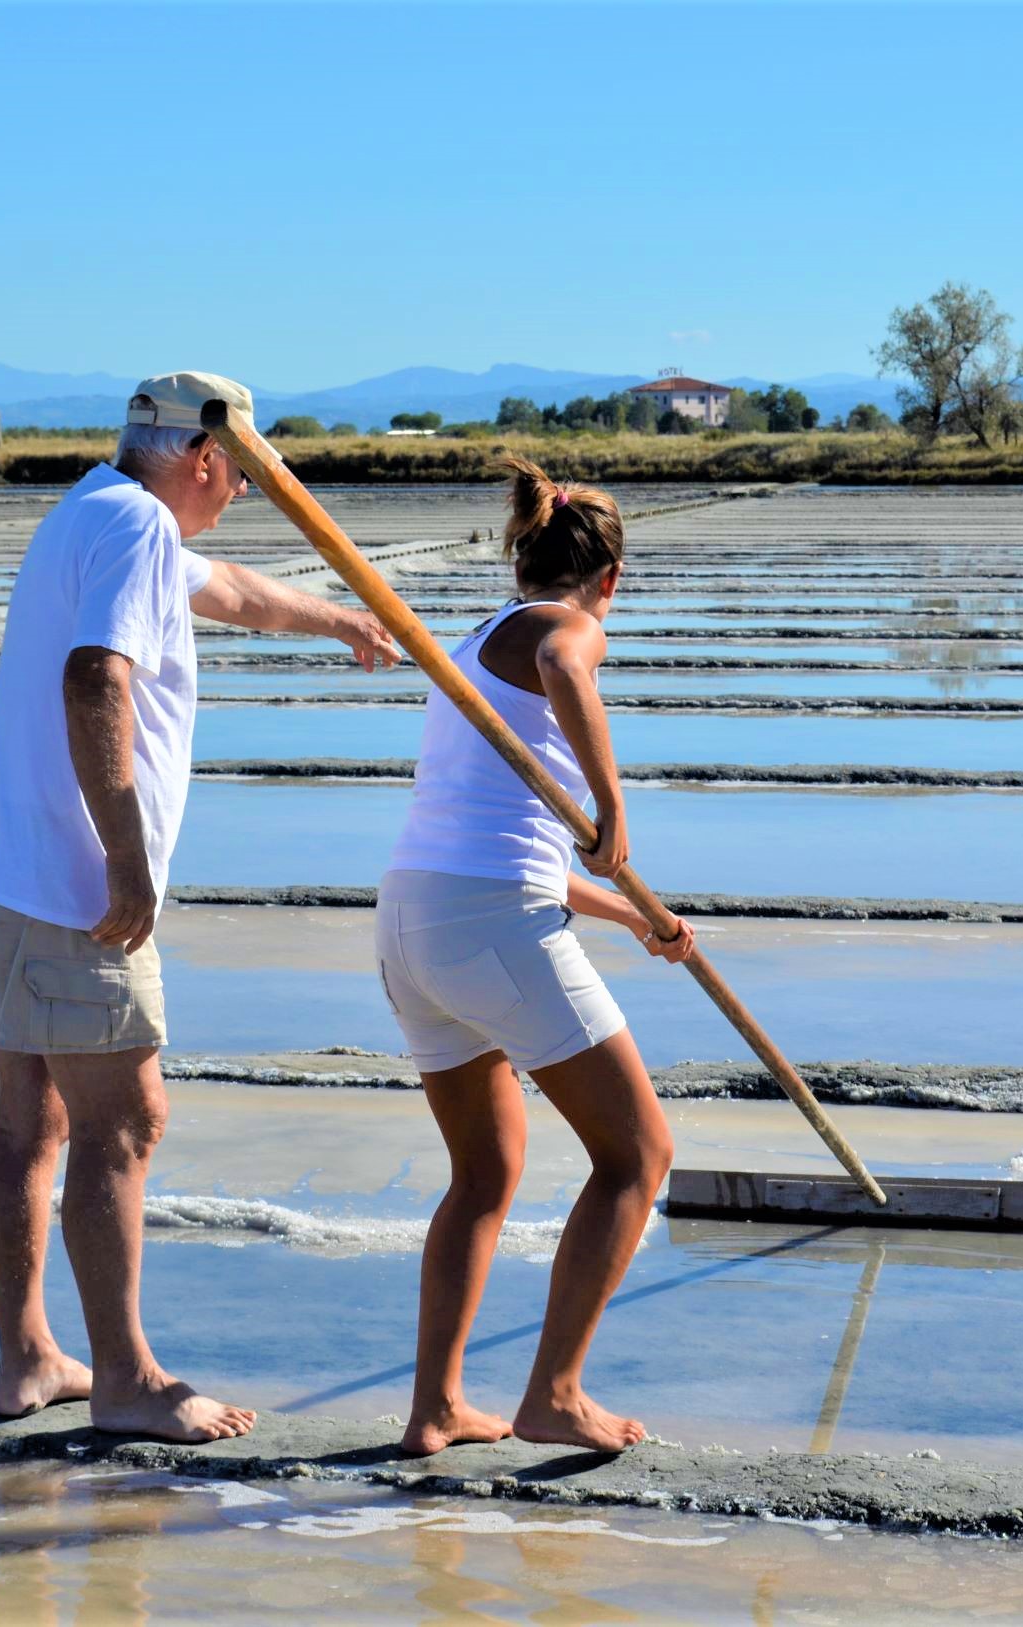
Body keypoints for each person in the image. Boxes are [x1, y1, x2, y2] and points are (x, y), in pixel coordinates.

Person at [0, 370, 404, 1442]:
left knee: (33, 1114)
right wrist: (127, 858)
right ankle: (127, 1377)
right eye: (238, 473)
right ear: (203, 458)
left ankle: (29, 1359)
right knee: (127, 1118)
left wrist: (342, 619)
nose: (240, 491)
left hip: (2, 867)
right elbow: (96, 679)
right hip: (71, 883)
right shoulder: (138, 530)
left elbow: (235, 589)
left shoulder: (91, 511)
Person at [376, 453, 695, 1457]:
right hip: (488, 924)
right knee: (638, 1153)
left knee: (483, 1169)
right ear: (610, 579)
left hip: (413, 920)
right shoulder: (567, 629)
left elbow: (507, 843)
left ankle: (435, 1407)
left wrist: (628, 912)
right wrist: (615, 812)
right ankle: (554, 1392)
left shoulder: (476, 644)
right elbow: (568, 666)